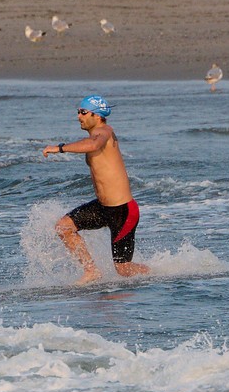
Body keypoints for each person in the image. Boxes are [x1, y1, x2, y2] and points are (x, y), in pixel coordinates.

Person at [41, 95, 150, 284]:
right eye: (78, 112)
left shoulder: (104, 131)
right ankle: (91, 271)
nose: (78, 116)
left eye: (83, 112)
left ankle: (156, 274)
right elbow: (90, 144)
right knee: (64, 227)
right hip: (102, 207)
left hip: (123, 210)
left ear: (97, 115)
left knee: (123, 269)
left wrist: (59, 148)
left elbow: (93, 144)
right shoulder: (94, 135)